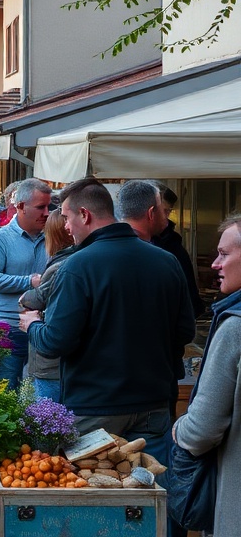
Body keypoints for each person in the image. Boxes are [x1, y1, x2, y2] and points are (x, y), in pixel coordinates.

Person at [21, 177, 194, 463]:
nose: (66, 227)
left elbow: (55, 342)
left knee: (92, 489)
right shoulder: (166, 261)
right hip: (152, 402)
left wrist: (32, 324)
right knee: (151, 486)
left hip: (95, 406)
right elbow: (185, 331)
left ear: (84, 215)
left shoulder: (77, 266)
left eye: (67, 218)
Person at [172, 214, 241, 535]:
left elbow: (201, 429)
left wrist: (178, 431)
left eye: (224, 254)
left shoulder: (235, 328)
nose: (215, 264)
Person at [0, 178, 52, 390]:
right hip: (8, 327)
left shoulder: (52, 238)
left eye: (48, 207)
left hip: (42, 327)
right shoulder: (0, 238)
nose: (46, 213)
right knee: (6, 389)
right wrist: (29, 281)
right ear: (21, 206)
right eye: (40, 207)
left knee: (38, 393)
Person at [120, 180, 205, 319]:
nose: (166, 218)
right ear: (150, 212)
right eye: (163, 211)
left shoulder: (172, 247)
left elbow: (189, 298)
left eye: (169, 212)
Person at [18, 210, 75, 402]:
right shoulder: (74, 259)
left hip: (50, 363)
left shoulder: (60, 265)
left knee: (47, 413)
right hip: (61, 362)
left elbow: (36, 299)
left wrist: (25, 297)